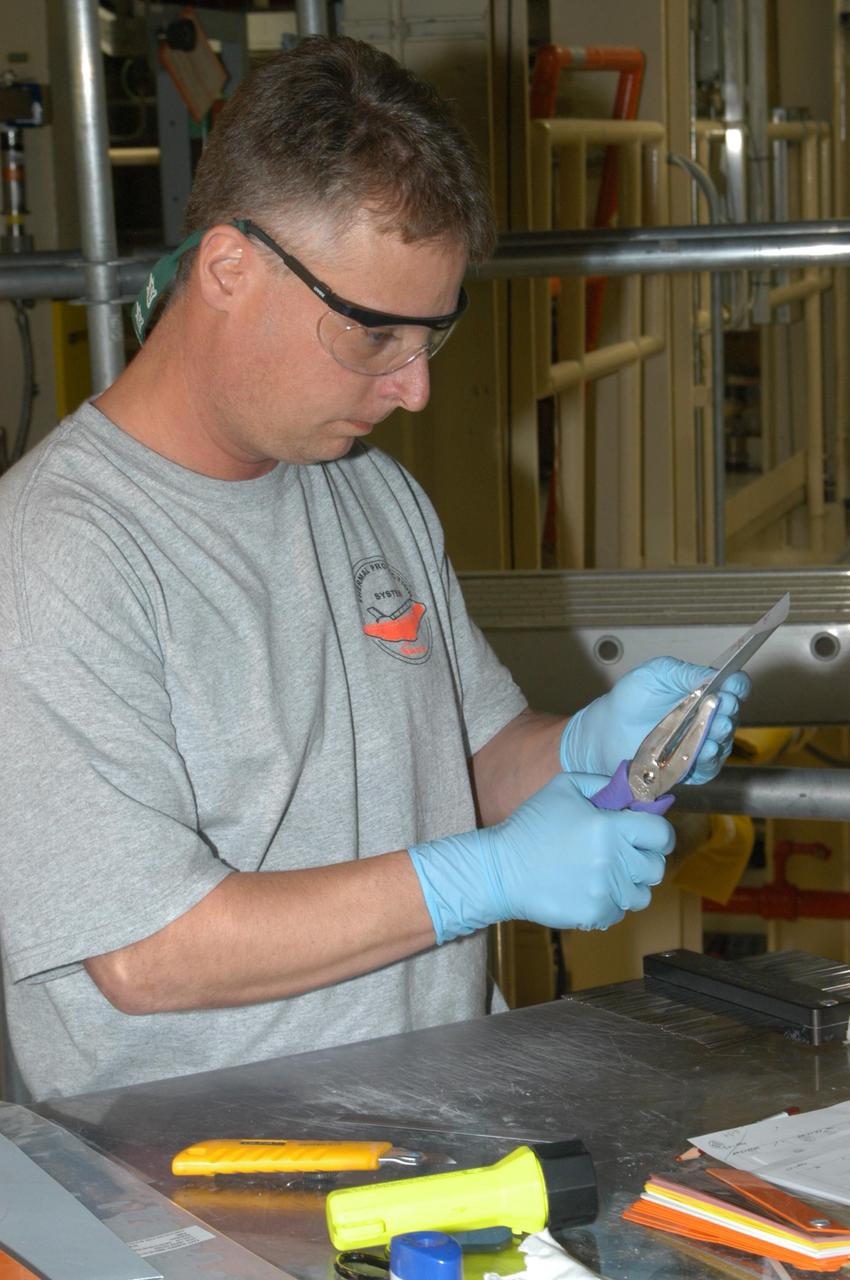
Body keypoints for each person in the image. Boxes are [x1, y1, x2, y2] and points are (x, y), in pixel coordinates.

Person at [0, 36, 747, 1103]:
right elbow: (147, 952)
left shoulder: (365, 491)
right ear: (228, 268)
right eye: (373, 337)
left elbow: (472, 754)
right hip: (205, 1177)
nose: (413, 391)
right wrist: (482, 878)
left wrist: (588, 745)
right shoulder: (55, 552)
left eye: (429, 338)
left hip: (446, 1118)